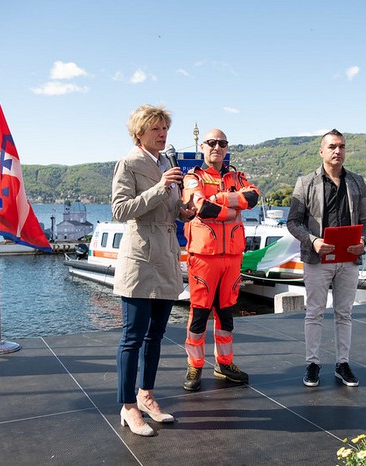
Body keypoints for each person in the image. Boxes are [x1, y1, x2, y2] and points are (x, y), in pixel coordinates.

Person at [112, 104, 196, 436]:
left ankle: (146, 395)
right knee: (132, 336)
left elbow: (169, 209)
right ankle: (128, 406)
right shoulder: (128, 164)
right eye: (156, 129)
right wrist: (160, 188)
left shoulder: (166, 164)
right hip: (140, 258)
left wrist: (183, 211)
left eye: (165, 129)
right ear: (139, 133)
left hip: (166, 255)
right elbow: (120, 210)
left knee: (156, 334)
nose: (162, 134)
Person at [287, 129, 366, 388]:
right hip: (317, 259)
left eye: (342, 146)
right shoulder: (306, 182)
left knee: (344, 314)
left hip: (348, 258)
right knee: (314, 313)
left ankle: (342, 364)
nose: (338, 151)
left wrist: (362, 241)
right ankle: (312, 364)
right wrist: (313, 241)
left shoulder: (357, 182)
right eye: (333, 146)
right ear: (321, 151)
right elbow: (293, 222)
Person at [181, 128, 260, 391]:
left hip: (232, 257)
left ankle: (224, 364)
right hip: (204, 257)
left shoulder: (237, 176)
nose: (217, 147)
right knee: (199, 314)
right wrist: (232, 209)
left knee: (226, 313)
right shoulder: (193, 177)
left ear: (227, 148)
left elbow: (253, 197)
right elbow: (201, 207)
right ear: (203, 146)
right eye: (212, 142)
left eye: (222, 143)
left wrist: (219, 198)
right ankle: (194, 366)